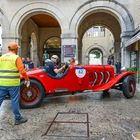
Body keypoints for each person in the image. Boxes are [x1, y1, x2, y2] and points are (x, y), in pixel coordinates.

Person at [0, 42, 30, 125]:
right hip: (13, 84)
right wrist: (27, 79)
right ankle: (18, 118)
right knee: (14, 101)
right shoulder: (16, 57)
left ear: (8, 49)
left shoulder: (1, 57)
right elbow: (22, 71)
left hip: (2, 83)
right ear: (16, 49)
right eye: (17, 48)